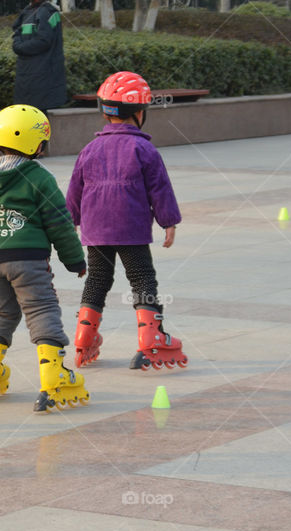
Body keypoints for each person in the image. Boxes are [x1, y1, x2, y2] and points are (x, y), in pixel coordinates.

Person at [0, 105, 89, 413]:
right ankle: (54, 373)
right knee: (41, 308)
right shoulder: (39, 178)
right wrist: (74, 260)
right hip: (26, 259)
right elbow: (59, 222)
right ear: (35, 144)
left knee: (1, 311)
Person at [66, 71, 187, 371]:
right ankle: (151, 337)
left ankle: (84, 336)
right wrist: (168, 221)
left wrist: (71, 221)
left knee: (97, 280)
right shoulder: (144, 149)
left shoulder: (89, 149)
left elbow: (74, 190)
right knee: (142, 278)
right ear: (139, 113)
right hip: (130, 229)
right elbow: (160, 188)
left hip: (95, 231)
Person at [12, 0, 66, 112]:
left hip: (41, 75)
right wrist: (17, 45)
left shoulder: (47, 12)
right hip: (27, 75)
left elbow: (43, 41)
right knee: (27, 115)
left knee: (38, 118)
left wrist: (19, 47)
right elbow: (16, 32)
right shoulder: (26, 12)